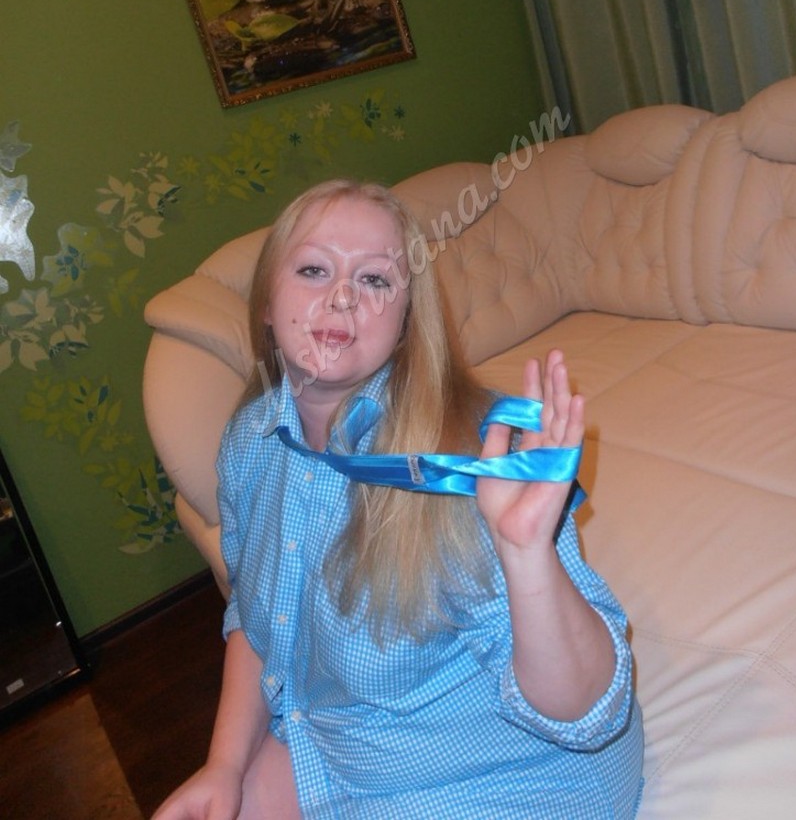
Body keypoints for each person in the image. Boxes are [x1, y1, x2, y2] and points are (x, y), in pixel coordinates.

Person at [152, 179, 644, 820]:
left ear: (407, 324)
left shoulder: (465, 465)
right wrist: (224, 765)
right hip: (337, 746)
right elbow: (254, 613)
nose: (342, 296)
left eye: (375, 279)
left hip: (511, 777)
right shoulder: (251, 440)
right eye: (313, 269)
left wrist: (526, 554)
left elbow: (589, 713)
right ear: (267, 303)